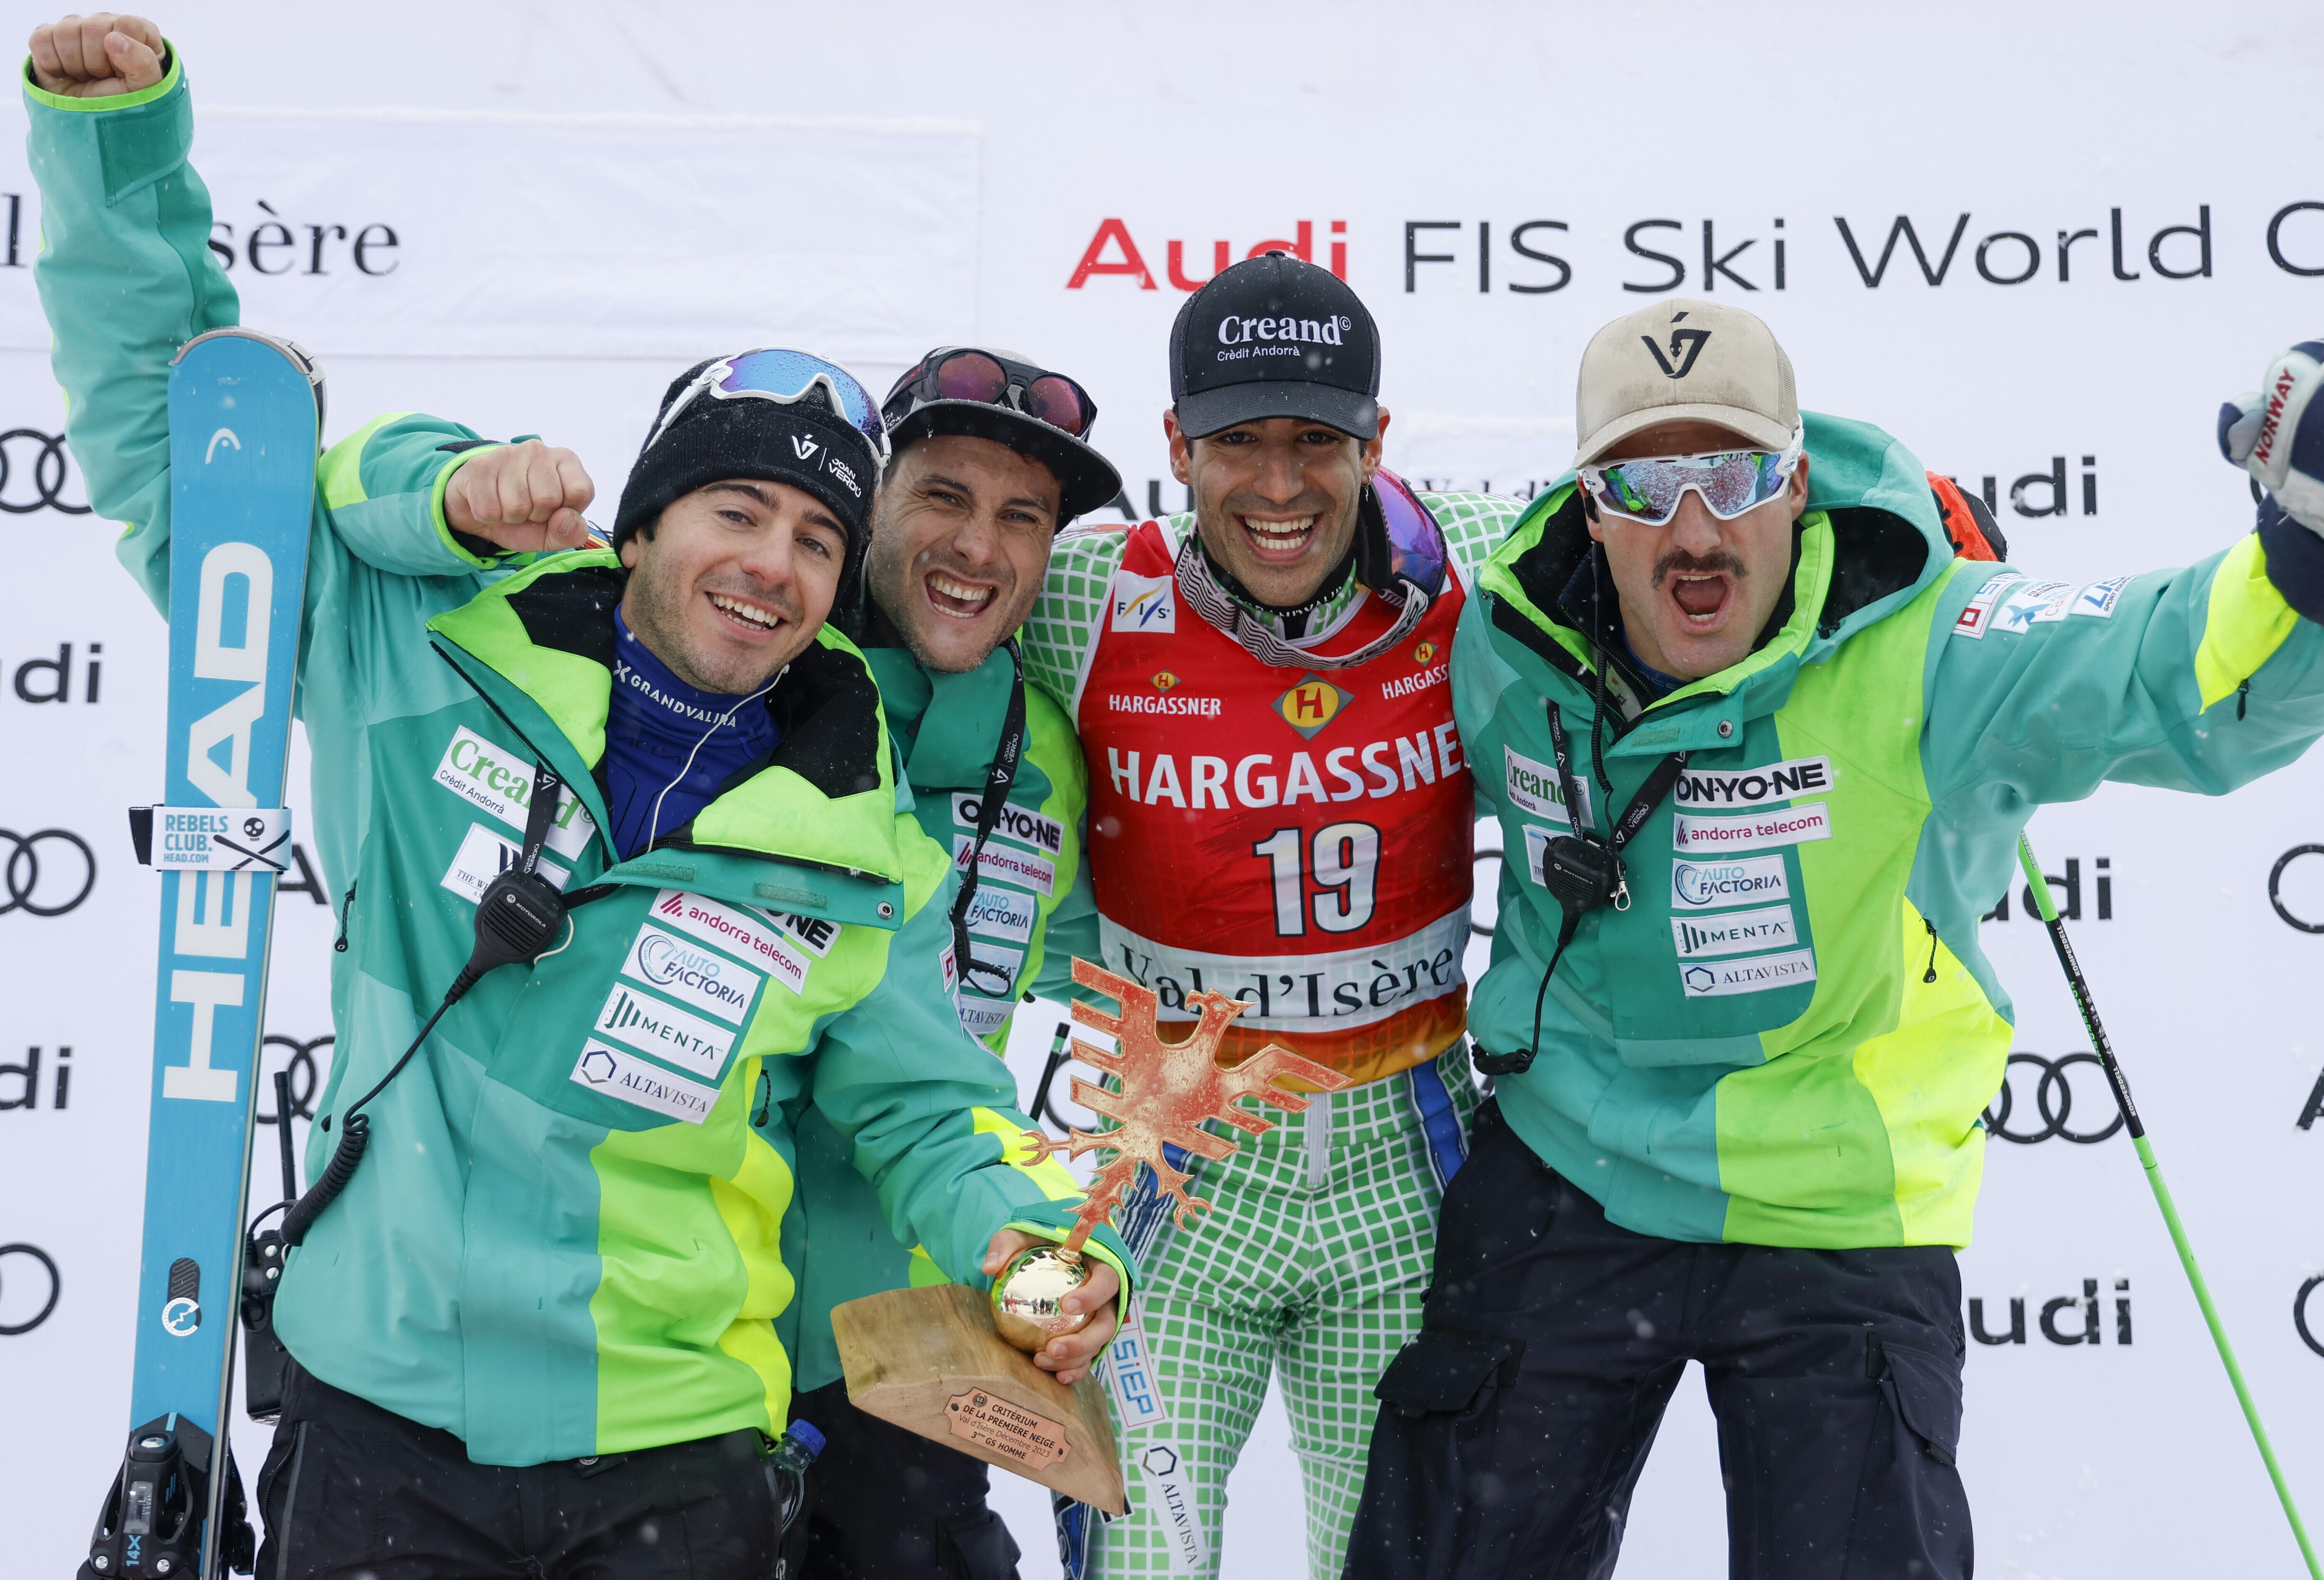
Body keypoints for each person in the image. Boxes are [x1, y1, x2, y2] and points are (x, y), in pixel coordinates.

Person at [26, 17, 1131, 1578]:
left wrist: (1022, 1236)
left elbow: (931, 1107)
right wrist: (112, 151)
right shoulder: (423, 655)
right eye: (735, 509)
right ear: (641, 526)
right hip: (383, 1422)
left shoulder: (862, 843)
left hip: (677, 1454)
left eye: (816, 539)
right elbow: (194, 453)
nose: (772, 563)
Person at [1344, 298, 2324, 1578]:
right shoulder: (1505, 636)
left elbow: (2184, 676)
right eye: (1646, 484)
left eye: (1734, 475)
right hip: (1572, 1170)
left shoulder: (1934, 646)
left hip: (1838, 1200)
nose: (1695, 528)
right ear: (1589, 504)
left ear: (1799, 479)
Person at [1018, 251, 1522, 1578]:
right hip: (1167, 1155)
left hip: (1401, 1159)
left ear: (1379, 441)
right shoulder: (1087, 596)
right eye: (1241, 442)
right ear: (1176, 444)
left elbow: (1693, 546)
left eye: (1320, 441)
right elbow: (893, 591)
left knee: (1405, 1561)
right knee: (1142, 1564)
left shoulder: (1472, 563)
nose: (1283, 485)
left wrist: (1890, 528)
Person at [783, 348, 1122, 1580]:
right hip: (685, 1334)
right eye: (943, 497)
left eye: (1021, 517)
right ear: (869, 502)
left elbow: (1122, 976)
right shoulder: (750, 677)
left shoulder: (1042, 749)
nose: (980, 547)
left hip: (916, 1336)